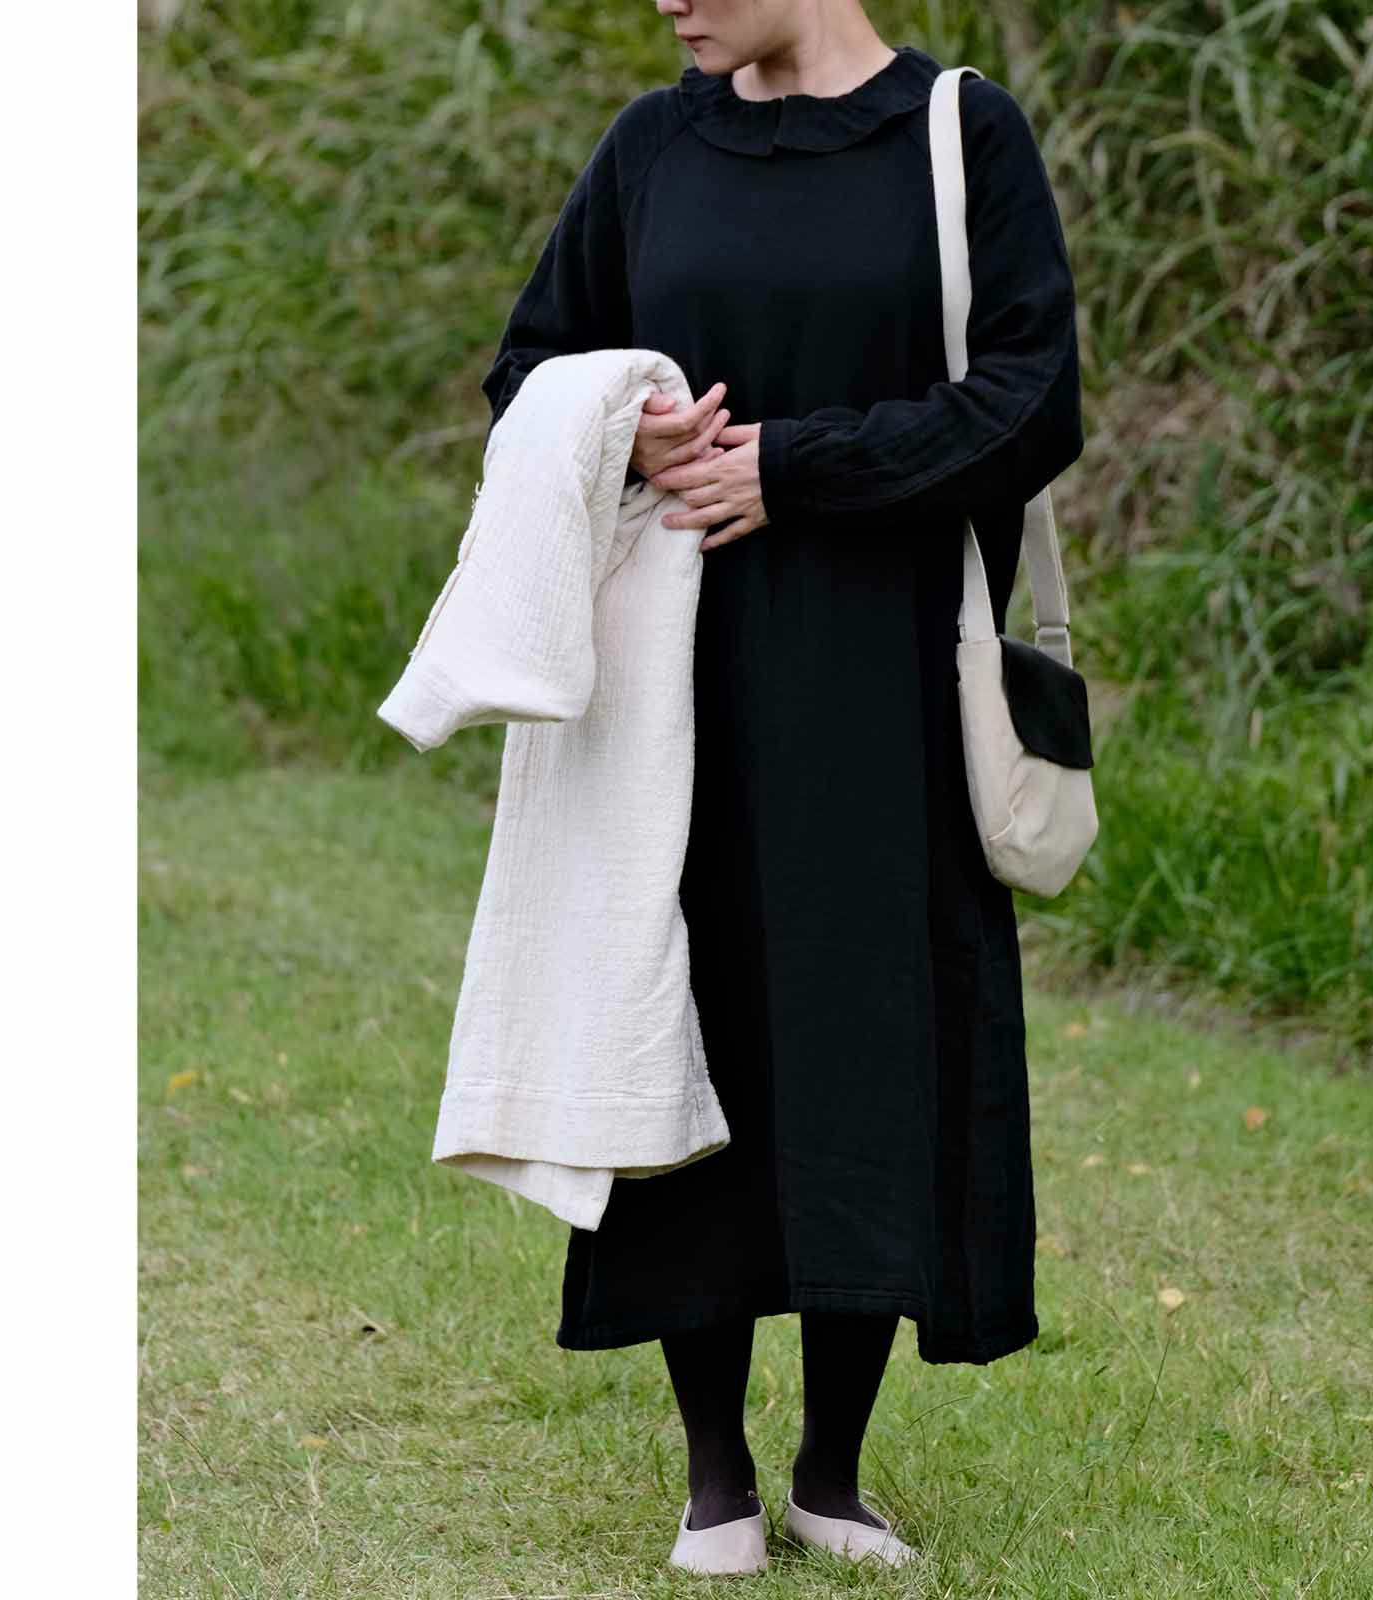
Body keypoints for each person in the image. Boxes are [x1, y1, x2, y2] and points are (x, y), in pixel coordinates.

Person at [478, 0, 1083, 1553]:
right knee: (688, 1024)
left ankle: (829, 1472)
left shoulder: (959, 135)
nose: (666, 1)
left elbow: (1033, 398)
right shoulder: (652, 147)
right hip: (672, 688)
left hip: (887, 686)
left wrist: (797, 466)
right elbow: (529, 371)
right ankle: (715, 1475)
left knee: (866, 1041)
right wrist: (630, 438)